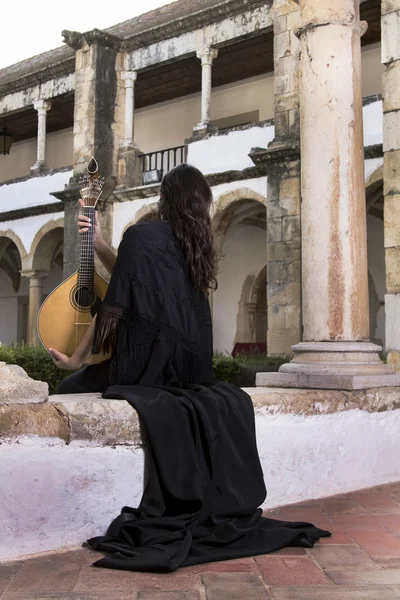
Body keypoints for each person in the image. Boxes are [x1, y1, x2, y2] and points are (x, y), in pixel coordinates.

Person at [50, 164, 330, 572]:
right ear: (201, 203)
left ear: (165, 198)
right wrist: (99, 243)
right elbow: (135, 274)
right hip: (190, 369)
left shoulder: (142, 235)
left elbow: (119, 302)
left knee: (72, 386)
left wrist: (76, 359)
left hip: (145, 367)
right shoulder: (196, 246)